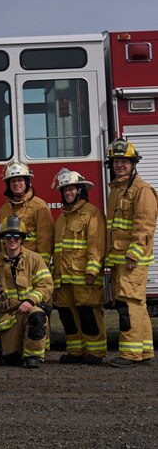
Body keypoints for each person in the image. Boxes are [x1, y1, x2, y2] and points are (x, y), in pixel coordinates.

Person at [104, 139, 158, 368]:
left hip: (132, 261)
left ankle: (130, 354)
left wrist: (133, 255)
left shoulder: (141, 190)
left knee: (128, 305)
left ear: (133, 163)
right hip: (120, 259)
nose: (120, 165)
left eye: (124, 161)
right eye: (117, 161)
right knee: (137, 304)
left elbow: (145, 226)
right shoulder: (116, 189)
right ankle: (144, 351)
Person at [0, 216, 53, 369]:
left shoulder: (35, 259)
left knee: (37, 314)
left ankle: (33, 356)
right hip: (6, 320)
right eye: (7, 236)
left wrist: (31, 300)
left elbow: (46, 286)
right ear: (2, 239)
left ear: (22, 239)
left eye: (16, 236)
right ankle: (13, 350)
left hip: (27, 311)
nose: (12, 240)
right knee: (11, 359)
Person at [50, 168, 107, 365]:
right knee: (67, 315)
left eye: (71, 189)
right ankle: (75, 351)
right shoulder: (62, 217)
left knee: (88, 314)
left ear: (80, 190)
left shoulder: (92, 214)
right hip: (64, 278)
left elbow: (97, 244)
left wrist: (92, 269)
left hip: (84, 276)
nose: (68, 193)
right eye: (65, 190)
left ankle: (96, 352)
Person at [0, 161, 54, 264]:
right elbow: (2, 242)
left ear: (26, 182)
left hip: (31, 265)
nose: (16, 183)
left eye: (20, 180)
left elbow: (45, 240)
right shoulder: (3, 210)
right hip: (7, 266)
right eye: (13, 181)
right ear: (8, 184)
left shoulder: (39, 206)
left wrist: (41, 265)